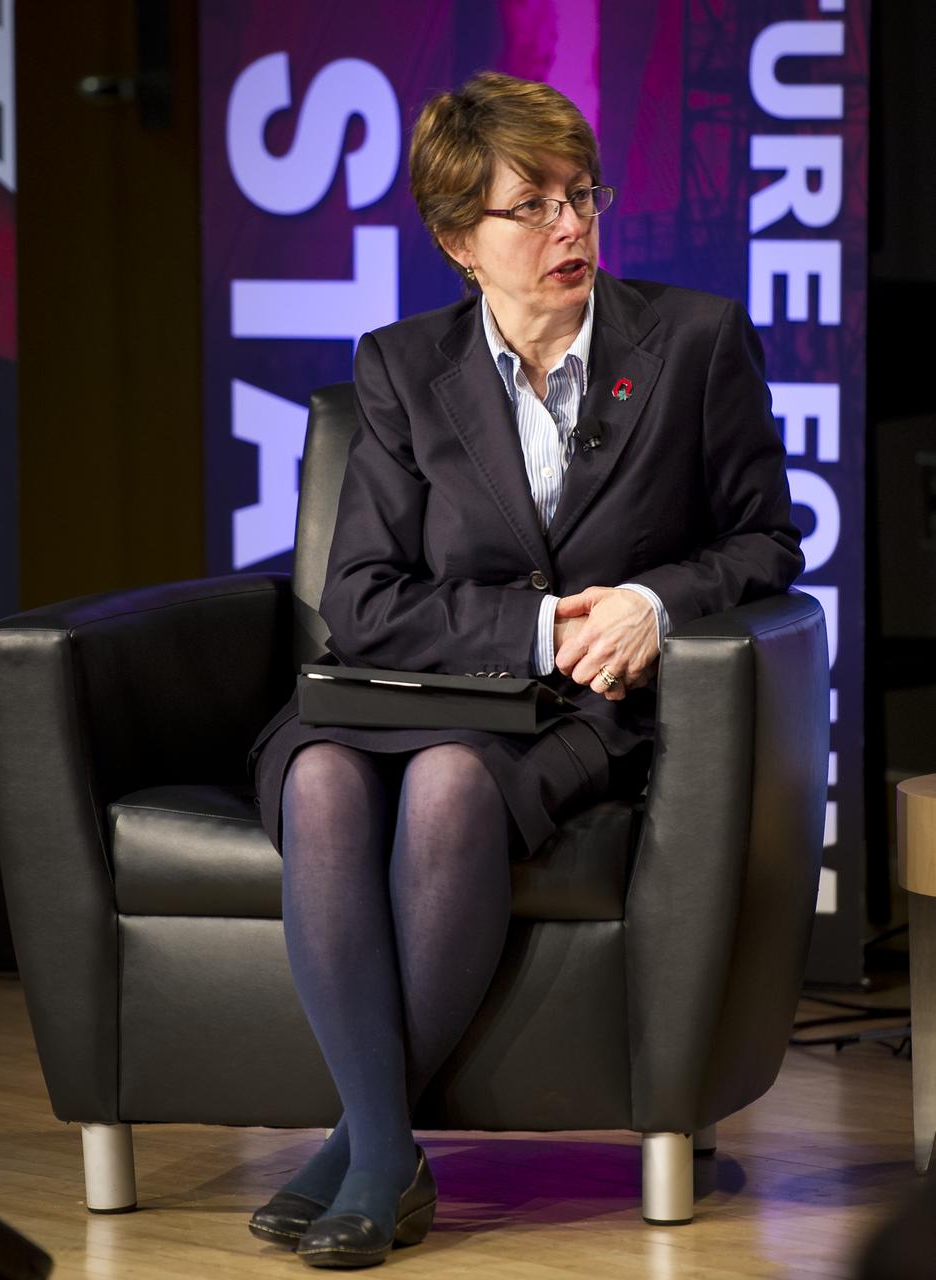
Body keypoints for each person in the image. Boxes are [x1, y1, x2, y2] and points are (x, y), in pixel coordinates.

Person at [247, 71, 803, 1269]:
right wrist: (543, 623)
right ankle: (385, 1148)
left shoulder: (692, 341)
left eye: (582, 196)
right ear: (458, 240)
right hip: (407, 688)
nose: (572, 227)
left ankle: (365, 1145)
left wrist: (654, 603)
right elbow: (361, 600)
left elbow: (768, 541)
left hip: (580, 716)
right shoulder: (401, 367)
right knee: (319, 783)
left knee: (452, 784)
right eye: (533, 206)